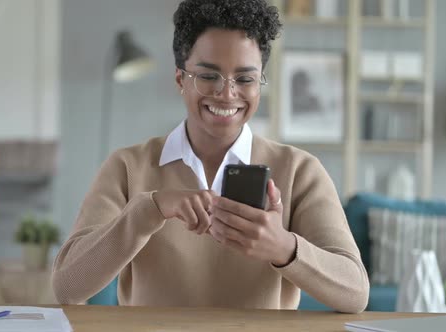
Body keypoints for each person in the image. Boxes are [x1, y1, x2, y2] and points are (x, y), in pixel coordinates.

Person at [52, 0, 369, 313]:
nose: (227, 93)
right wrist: (150, 209)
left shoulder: (299, 171)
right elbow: (67, 287)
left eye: (245, 79)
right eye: (208, 76)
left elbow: (355, 293)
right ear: (180, 79)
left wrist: (283, 247)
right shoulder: (127, 167)